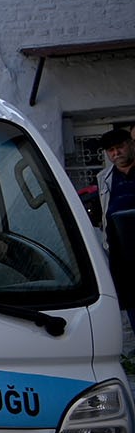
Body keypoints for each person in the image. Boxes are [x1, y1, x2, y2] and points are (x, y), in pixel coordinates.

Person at [96, 128, 135, 333]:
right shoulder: (104, 177)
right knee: (130, 303)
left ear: (130, 144)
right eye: (110, 150)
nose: (116, 153)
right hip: (123, 254)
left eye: (119, 147)